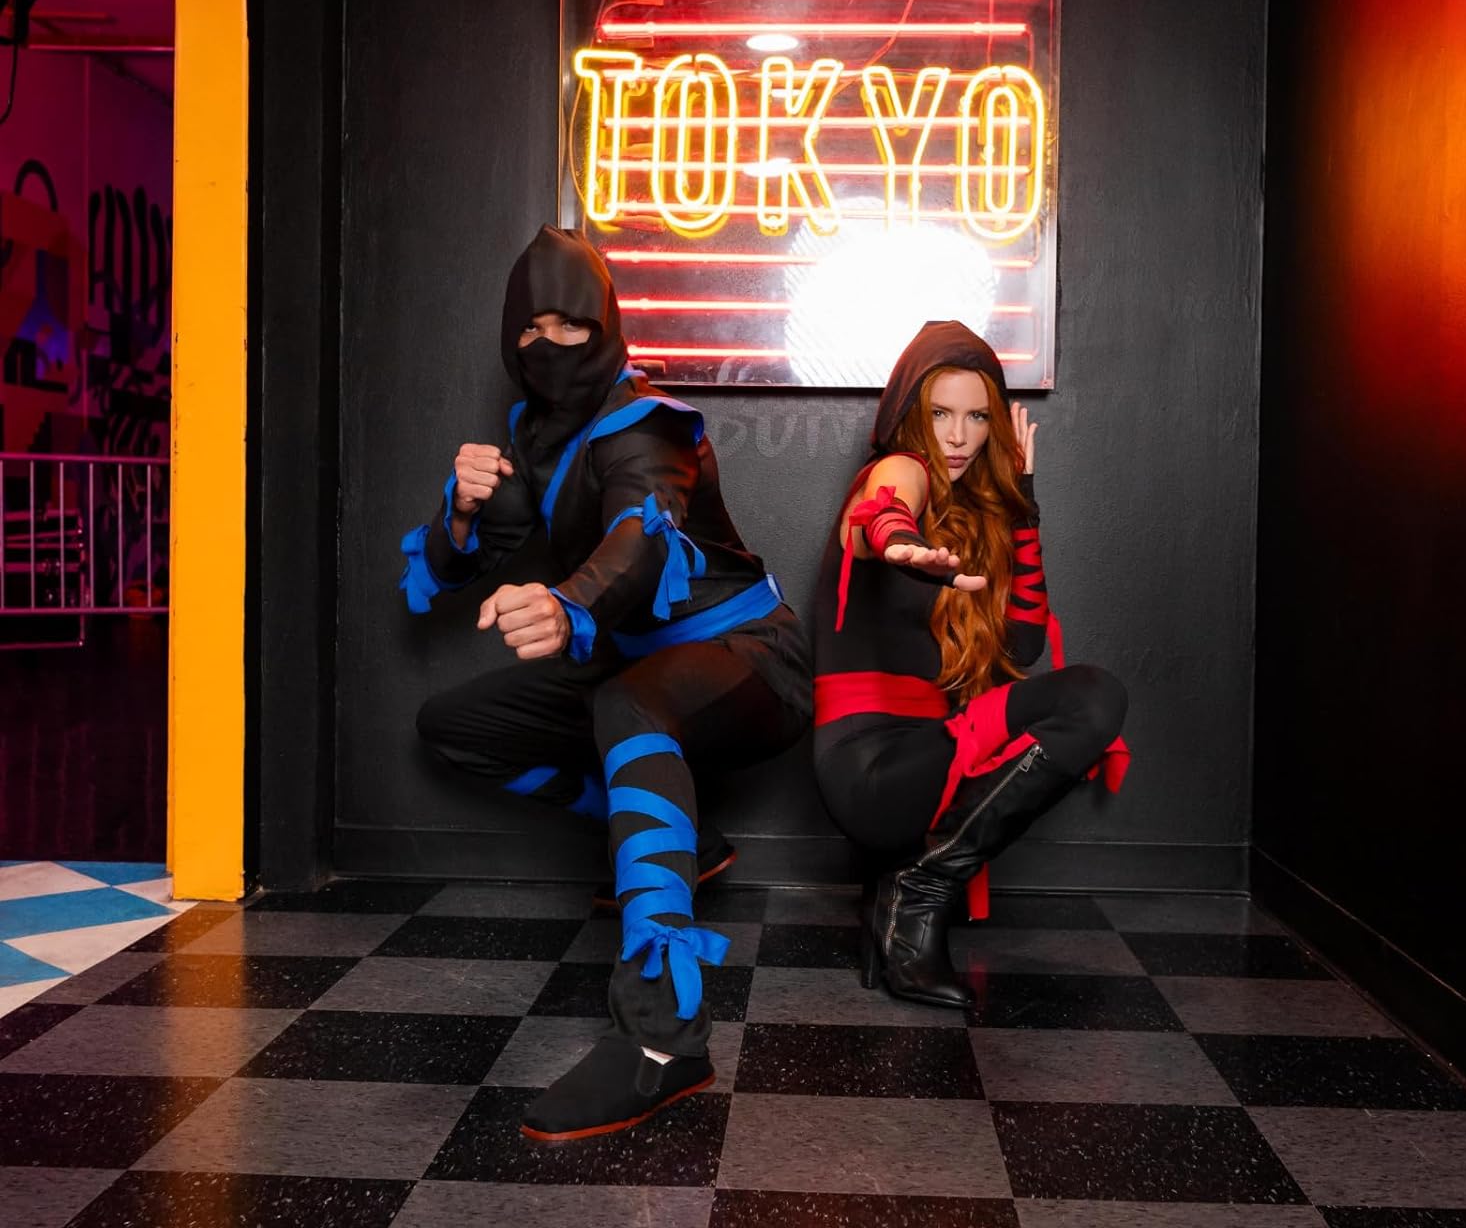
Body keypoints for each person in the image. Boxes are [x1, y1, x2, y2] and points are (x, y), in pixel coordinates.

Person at [401, 224, 811, 1137]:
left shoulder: (650, 424)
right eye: (530, 329)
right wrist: (459, 510)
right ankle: (685, 841)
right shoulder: (534, 437)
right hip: (640, 667)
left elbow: (642, 532)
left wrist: (569, 604)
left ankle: (664, 1040)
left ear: (606, 326)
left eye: (570, 326)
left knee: (625, 703)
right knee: (455, 726)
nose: (548, 346)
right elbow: (470, 560)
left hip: (754, 661)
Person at [812, 320, 1129, 1008]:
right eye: (940, 414)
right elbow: (885, 505)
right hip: (869, 768)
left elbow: (1022, 648)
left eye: (978, 417)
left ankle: (910, 884)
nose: (957, 436)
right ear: (910, 415)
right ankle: (921, 890)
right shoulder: (898, 469)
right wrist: (898, 542)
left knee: (1093, 698)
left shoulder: (979, 518)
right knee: (1085, 700)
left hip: (935, 749)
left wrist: (1023, 505)